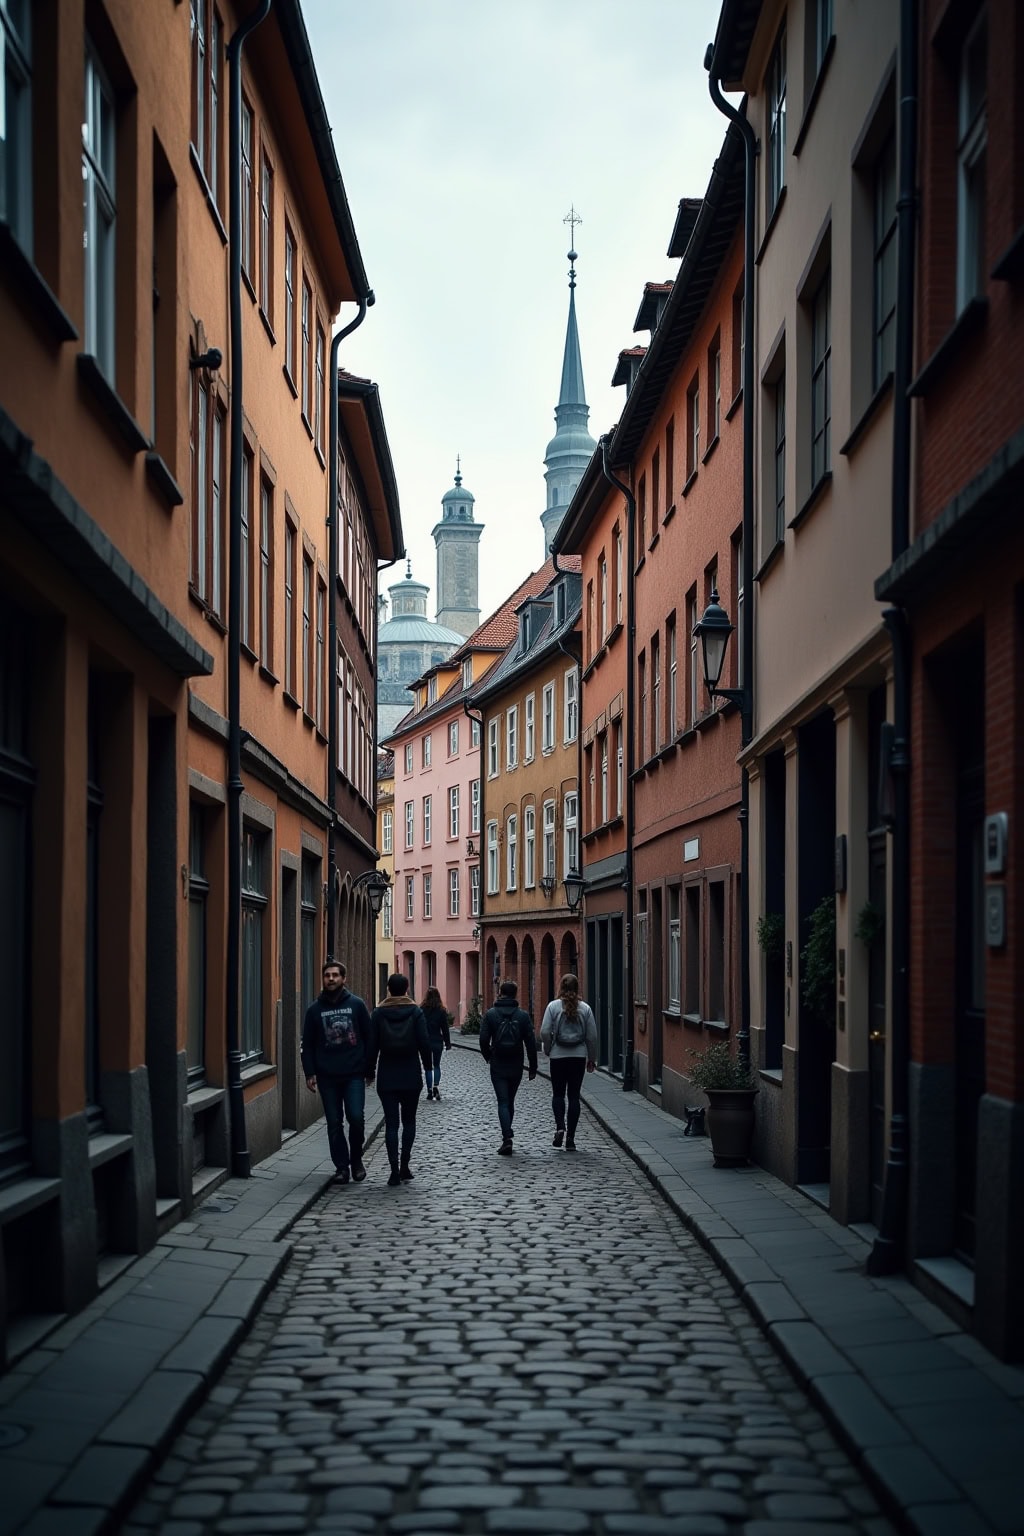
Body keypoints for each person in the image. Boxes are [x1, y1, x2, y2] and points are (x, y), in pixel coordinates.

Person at [301, 959, 374, 1184]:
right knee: (334, 1122)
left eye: (335, 975)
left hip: (353, 1074)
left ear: (344, 979)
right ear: (323, 979)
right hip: (327, 1076)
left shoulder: (357, 1005)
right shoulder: (314, 1010)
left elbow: (370, 1038)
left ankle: (356, 1159)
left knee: (356, 1117)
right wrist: (309, 1072)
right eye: (327, 975)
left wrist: (370, 1068)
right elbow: (308, 1044)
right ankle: (342, 1167)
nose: (331, 979)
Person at [368, 973, 432, 1187]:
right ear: (406, 989)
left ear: (388, 989)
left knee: (392, 1124)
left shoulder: (378, 1013)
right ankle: (405, 1165)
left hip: (387, 1074)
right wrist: (428, 1066)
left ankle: (394, 1169)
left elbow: (372, 1046)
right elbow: (424, 1042)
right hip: (410, 1073)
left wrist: (370, 1070)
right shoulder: (415, 1011)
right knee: (409, 1121)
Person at [540, 973, 598, 1151]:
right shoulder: (585, 1009)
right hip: (578, 1056)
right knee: (574, 1096)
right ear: (577, 987)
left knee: (558, 1094)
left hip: (558, 1056)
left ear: (561, 987)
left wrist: (548, 1048)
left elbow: (544, 1031)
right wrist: (592, 1058)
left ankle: (560, 1127)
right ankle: (571, 1138)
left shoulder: (553, 1006)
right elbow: (592, 1037)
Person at [480, 979, 538, 1155]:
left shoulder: (490, 1014)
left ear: (500, 993)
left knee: (502, 1101)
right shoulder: (522, 1016)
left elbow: (483, 1040)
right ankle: (507, 1135)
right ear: (515, 994)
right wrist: (533, 1065)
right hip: (516, 1063)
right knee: (510, 1100)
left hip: (498, 1062)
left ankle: (507, 1137)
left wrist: (488, 1056)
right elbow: (530, 1042)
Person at [420, 986, 452, 1100]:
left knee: (428, 1067)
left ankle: (429, 1090)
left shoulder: (421, 1009)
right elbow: (445, 1029)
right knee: (437, 1065)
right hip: (437, 1041)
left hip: (425, 1042)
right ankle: (435, 1086)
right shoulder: (441, 1010)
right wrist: (448, 1043)